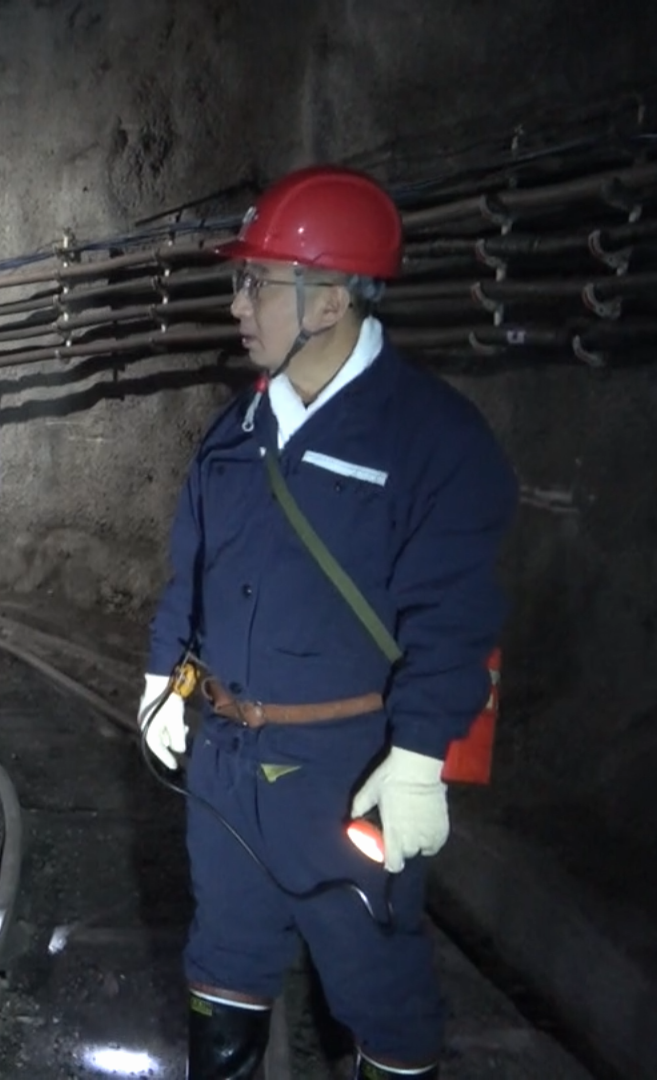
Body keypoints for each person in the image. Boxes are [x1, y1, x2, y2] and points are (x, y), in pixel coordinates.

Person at [138, 165, 517, 1079]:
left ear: (332, 299)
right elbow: (193, 570)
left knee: (381, 991)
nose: (238, 305)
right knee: (223, 965)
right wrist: (161, 676)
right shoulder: (235, 432)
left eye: (258, 282)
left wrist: (419, 756)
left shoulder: (433, 439)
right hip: (228, 766)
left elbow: (454, 616)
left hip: (347, 775)